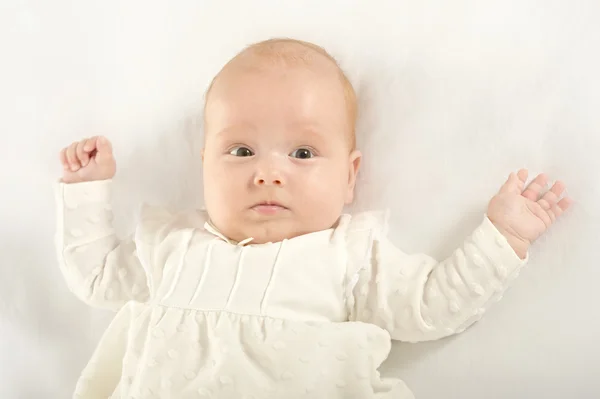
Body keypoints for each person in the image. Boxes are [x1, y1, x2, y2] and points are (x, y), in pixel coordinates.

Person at [55, 38, 572, 398]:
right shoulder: (169, 243)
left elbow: (430, 307)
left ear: (350, 178)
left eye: (302, 154)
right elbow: (96, 278)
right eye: (240, 150)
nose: (268, 174)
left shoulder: (349, 256)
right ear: (203, 165)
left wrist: (502, 237)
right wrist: (85, 193)